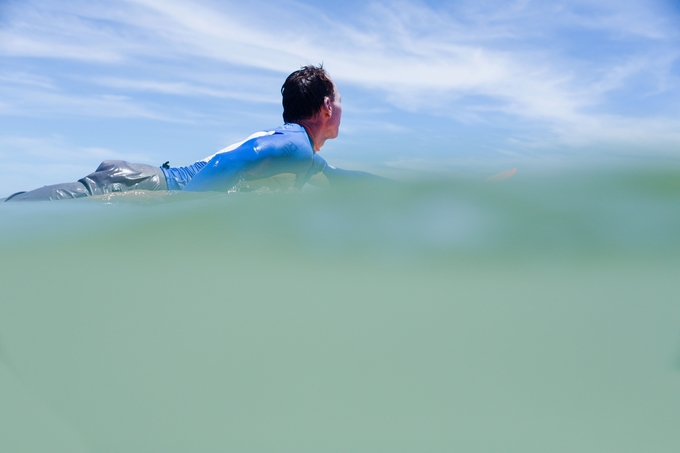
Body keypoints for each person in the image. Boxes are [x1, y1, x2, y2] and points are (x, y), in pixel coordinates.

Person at [3, 65, 381, 202]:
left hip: (142, 179)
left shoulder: (300, 153)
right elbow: (230, 160)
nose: (343, 107)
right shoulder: (295, 146)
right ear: (327, 107)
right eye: (341, 98)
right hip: (144, 185)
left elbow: (335, 179)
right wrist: (180, 215)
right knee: (16, 211)